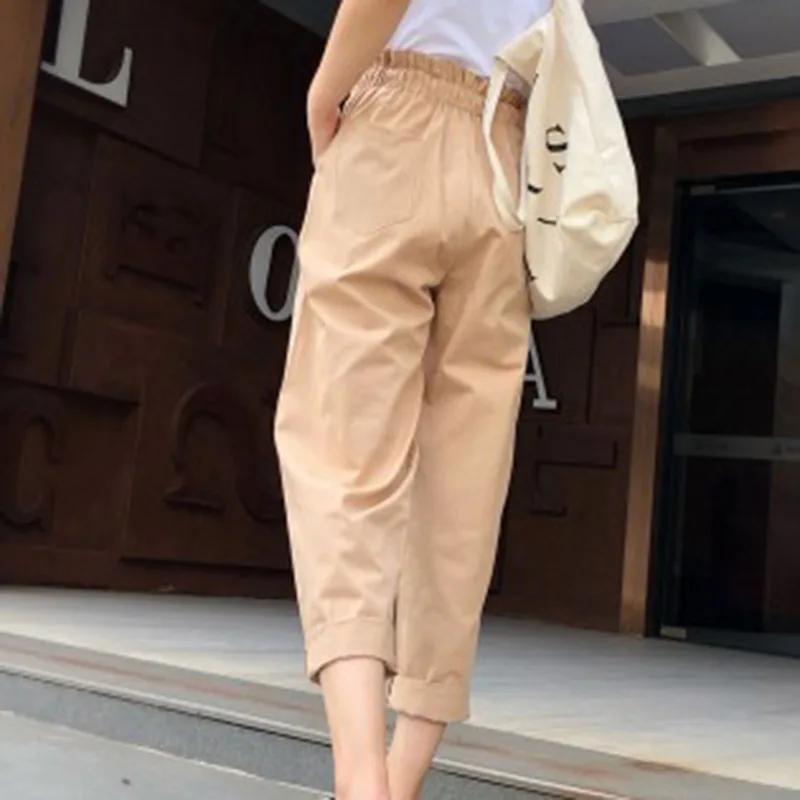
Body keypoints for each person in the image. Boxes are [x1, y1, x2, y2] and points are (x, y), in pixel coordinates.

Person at [274, 1, 551, 798]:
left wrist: (325, 90)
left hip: (394, 119)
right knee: (464, 481)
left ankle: (363, 780)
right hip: (503, 150)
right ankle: (401, 779)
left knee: (343, 449)